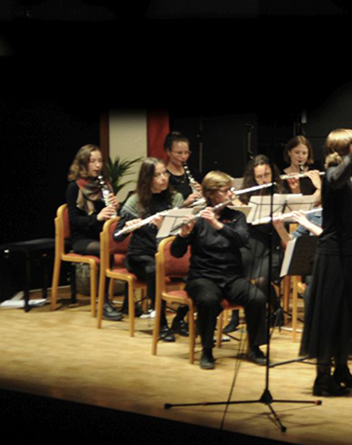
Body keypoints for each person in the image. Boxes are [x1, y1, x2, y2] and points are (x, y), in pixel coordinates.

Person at [299, 129, 352, 396]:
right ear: (344, 149)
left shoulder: (345, 180)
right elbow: (333, 181)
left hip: (346, 254)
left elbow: (341, 205)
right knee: (331, 315)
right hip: (333, 256)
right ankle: (322, 380)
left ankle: (341, 370)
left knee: (347, 312)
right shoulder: (332, 175)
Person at [170, 171, 269, 370]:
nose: (230, 194)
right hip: (203, 277)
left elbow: (242, 239)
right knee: (208, 300)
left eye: (230, 190)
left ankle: (255, 347)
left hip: (231, 276)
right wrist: (183, 234)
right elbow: (176, 252)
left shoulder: (237, 216)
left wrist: (217, 225)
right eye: (225, 191)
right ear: (211, 194)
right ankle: (207, 350)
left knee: (257, 298)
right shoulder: (197, 218)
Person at [111, 158, 185, 333]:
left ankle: (180, 318)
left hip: (168, 255)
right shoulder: (135, 201)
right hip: (141, 256)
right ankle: (160, 322)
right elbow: (117, 237)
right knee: (154, 270)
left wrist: (166, 227)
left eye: (164, 173)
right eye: (157, 175)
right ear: (147, 179)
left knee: (197, 271)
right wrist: (129, 228)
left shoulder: (176, 199)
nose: (163, 178)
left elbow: (181, 232)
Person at [232, 155, 289, 334]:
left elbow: (284, 235)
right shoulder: (246, 197)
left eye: (267, 175)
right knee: (236, 269)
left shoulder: (279, 196)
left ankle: (268, 312)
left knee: (262, 279)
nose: (264, 179)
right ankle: (235, 317)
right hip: (251, 245)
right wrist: (235, 203)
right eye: (260, 176)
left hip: (273, 246)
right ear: (253, 178)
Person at [64, 144, 118, 257]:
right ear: (83, 164)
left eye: (100, 161)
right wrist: (97, 218)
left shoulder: (105, 185)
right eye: (92, 161)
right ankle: (105, 275)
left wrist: (116, 208)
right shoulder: (74, 187)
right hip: (82, 238)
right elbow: (74, 221)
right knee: (107, 251)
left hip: (102, 234)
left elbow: (110, 215)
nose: (97, 165)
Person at [163, 132, 203, 206]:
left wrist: (202, 191)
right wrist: (185, 203)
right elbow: (164, 206)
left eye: (186, 153)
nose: (184, 157)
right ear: (168, 152)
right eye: (179, 153)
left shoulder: (193, 172)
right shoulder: (164, 176)